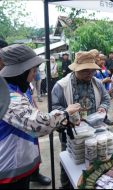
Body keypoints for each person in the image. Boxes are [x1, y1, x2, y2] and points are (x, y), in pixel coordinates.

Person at [0, 44, 81, 189]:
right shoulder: (7, 97)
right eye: (33, 70)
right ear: (21, 72)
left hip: (20, 165)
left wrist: (60, 120)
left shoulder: (19, 89)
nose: (34, 75)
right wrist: (66, 113)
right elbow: (38, 124)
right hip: (8, 172)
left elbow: (33, 116)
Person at [51, 51, 110, 189]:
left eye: (92, 71)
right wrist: (68, 114)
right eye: (85, 71)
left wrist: (103, 107)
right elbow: (54, 109)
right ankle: (65, 185)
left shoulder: (96, 83)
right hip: (70, 132)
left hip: (94, 129)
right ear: (76, 69)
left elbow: (106, 98)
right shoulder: (61, 86)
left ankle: (90, 182)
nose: (90, 74)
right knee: (69, 159)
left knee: (93, 156)